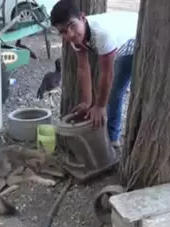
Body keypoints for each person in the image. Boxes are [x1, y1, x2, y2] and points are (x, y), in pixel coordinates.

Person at [50, 0, 137, 148]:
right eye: (63, 31)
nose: (69, 34)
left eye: (72, 26)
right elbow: (83, 68)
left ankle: (120, 138)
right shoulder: (75, 37)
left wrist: (100, 106)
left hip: (136, 40)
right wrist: (87, 102)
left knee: (121, 92)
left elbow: (107, 73)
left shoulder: (102, 34)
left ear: (83, 18)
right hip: (121, 45)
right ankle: (112, 139)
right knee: (113, 92)